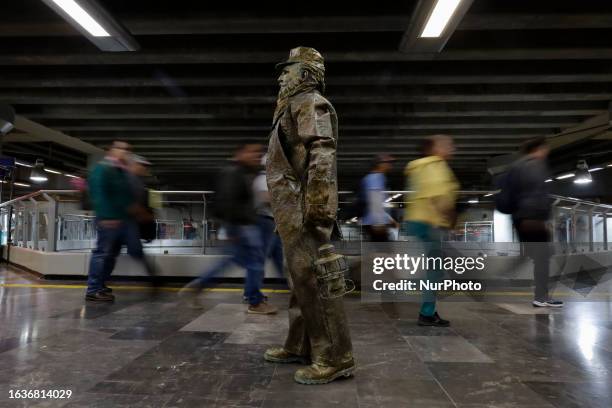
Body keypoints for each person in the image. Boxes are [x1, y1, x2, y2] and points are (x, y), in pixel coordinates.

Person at [264, 47, 354, 385]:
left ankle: (334, 357)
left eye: (287, 71)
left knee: (316, 284)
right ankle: (301, 345)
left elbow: (321, 153)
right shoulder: (292, 106)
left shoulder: (309, 102)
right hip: (293, 211)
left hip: (306, 211)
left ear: (304, 74)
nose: (280, 76)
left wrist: (316, 208)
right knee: (300, 282)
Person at [180, 143, 277, 314]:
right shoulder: (234, 173)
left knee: (232, 262)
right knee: (255, 264)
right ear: (240, 152)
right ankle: (255, 302)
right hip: (242, 225)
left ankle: (198, 286)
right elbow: (228, 202)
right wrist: (234, 228)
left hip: (241, 225)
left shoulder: (240, 172)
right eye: (252, 152)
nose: (256, 155)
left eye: (258, 153)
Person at [85, 141, 156, 302]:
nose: (125, 152)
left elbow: (124, 196)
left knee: (111, 255)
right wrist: (106, 216)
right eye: (120, 149)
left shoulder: (120, 171)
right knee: (102, 253)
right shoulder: (102, 169)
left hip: (123, 219)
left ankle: (100, 285)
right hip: (109, 219)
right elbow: (98, 194)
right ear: (111, 150)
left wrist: (137, 211)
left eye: (127, 150)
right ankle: (93, 289)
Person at [404, 135, 459, 326]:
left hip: (418, 221)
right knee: (435, 270)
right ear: (434, 149)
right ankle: (427, 313)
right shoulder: (435, 165)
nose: (451, 148)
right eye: (447, 145)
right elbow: (438, 196)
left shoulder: (420, 166)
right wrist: (450, 220)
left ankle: (429, 310)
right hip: (430, 223)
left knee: (434, 269)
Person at [511, 136, 562, 308]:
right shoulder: (534, 165)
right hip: (532, 218)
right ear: (539, 148)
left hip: (521, 217)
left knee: (539, 256)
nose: (546, 152)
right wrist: (540, 219)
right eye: (545, 148)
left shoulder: (518, 165)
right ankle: (541, 297)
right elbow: (535, 194)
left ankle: (541, 296)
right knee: (543, 257)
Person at [360, 154, 397, 242]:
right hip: (374, 222)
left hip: (373, 222)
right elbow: (375, 200)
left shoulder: (377, 177)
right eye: (388, 162)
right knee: (384, 253)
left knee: (380, 252)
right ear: (380, 164)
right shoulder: (375, 178)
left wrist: (390, 220)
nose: (390, 165)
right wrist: (378, 223)